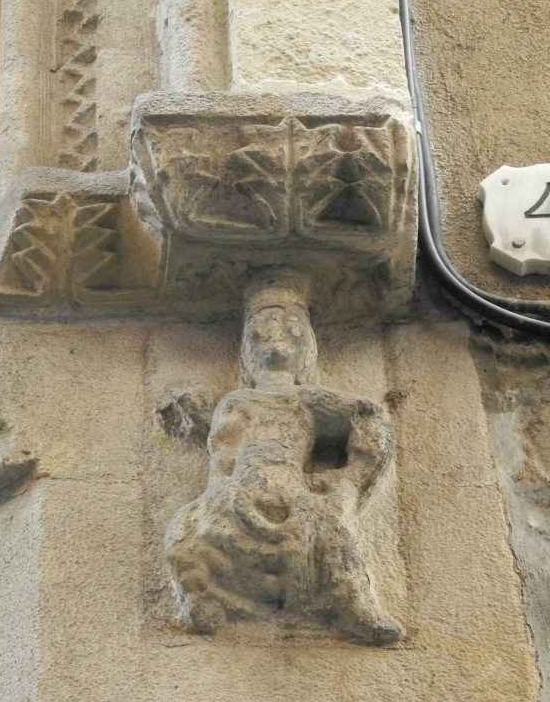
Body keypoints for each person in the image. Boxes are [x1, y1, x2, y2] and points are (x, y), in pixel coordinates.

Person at [165, 270, 404, 644]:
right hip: (241, 488)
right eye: (261, 331)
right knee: (185, 532)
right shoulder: (238, 401)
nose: (275, 338)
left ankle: (356, 607)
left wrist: (350, 483)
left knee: (337, 530)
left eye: (290, 330)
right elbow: (223, 458)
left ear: (305, 344)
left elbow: (368, 416)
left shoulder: (308, 398)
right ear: (247, 346)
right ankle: (202, 601)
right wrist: (217, 492)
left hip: (296, 491)